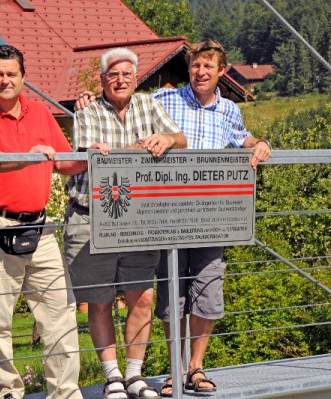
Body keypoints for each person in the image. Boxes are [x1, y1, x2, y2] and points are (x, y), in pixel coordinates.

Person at [75, 39, 271, 396]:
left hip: (211, 214)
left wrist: (260, 143)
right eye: (196, 66)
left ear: (221, 71)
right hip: (165, 213)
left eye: (208, 67)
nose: (201, 72)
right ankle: (174, 370)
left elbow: (243, 138)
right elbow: (127, 96)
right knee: (170, 293)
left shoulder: (230, 111)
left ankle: (196, 367)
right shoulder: (163, 100)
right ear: (189, 68)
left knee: (208, 291)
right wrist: (91, 98)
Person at [0, 44, 89, 399]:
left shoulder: (41, 114)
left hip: (40, 227)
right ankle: (8, 392)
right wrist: (26, 156)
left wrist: (89, 156)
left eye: (11, 74)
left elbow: (63, 163)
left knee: (60, 313)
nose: (4, 80)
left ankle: (65, 392)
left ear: (23, 77)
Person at [64, 47, 187, 399]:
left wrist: (166, 139)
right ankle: (112, 376)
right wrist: (138, 148)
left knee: (142, 297)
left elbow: (180, 139)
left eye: (127, 75)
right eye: (113, 75)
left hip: (139, 217)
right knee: (99, 300)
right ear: (102, 80)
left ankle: (135, 375)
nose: (120, 80)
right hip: (92, 215)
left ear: (136, 79)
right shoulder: (88, 109)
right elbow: (89, 153)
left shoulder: (149, 105)